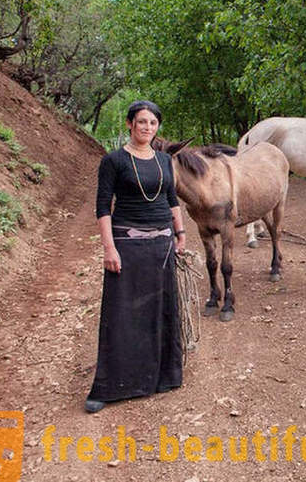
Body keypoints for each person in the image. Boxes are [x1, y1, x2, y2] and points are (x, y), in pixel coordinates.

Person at [86, 100, 186, 413]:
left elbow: (172, 199)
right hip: (127, 243)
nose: (147, 128)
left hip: (162, 246)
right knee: (123, 314)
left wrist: (180, 234)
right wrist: (109, 247)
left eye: (153, 123)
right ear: (130, 124)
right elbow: (103, 206)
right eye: (141, 122)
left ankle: (161, 378)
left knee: (160, 310)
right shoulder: (113, 161)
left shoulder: (163, 161)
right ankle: (111, 386)